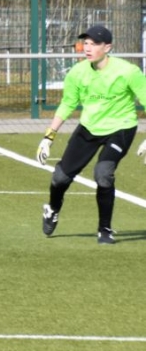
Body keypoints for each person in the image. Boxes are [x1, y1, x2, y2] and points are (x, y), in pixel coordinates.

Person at [36, 25, 146, 244]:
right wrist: (49, 137)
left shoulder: (128, 72)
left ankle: (104, 229)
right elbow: (68, 104)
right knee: (60, 178)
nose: (88, 48)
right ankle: (53, 209)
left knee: (103, 173)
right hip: (89, 127)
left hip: (121, 128)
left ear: (107, 47)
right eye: (85, 43)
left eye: (94, 44)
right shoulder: (77, 72)